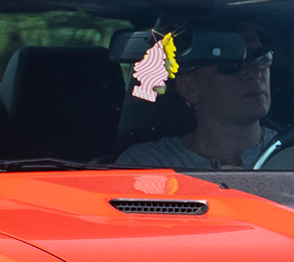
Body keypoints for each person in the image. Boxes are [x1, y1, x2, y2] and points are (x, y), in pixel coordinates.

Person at [116, 26, 274, 170]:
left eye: (260, 57)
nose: (254, 73)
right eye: (231, 64)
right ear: (189, 88)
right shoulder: (145, 165)